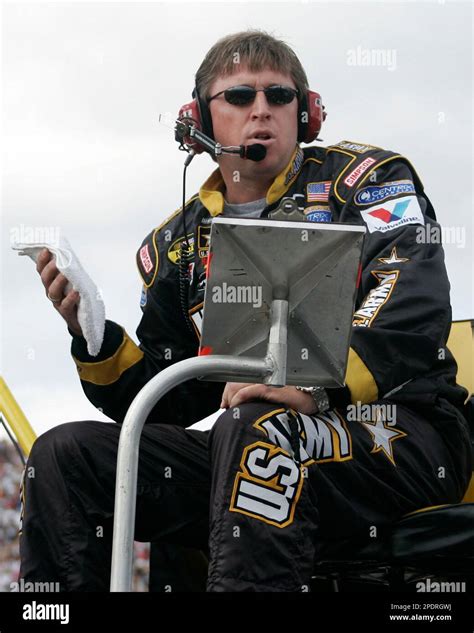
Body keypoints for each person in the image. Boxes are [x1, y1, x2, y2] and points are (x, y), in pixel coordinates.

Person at [19, 30, 471, 592]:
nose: (262, 110)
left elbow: (410, 302)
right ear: (200, 122)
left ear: (306, 114)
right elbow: (166, 396)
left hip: (400, 434)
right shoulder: (176, 244)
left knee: (256, 426)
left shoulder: (370, 180)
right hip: (251, 439)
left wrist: (318, 391)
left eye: (279, 97)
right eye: (239, 97)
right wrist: (92, 335)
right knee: (64, 454)